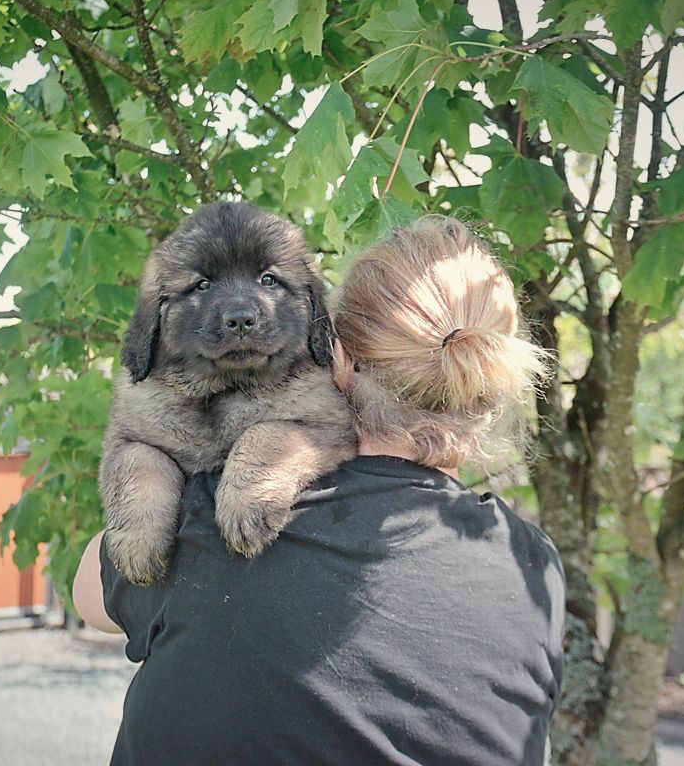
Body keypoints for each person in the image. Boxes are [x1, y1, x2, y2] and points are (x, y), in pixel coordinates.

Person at [74, 216, 565, 765]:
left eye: (268, 281)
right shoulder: (536, 570)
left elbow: (90, 593)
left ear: (335, 350)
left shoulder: (203, 522)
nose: (241, 310)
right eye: (203, 286)